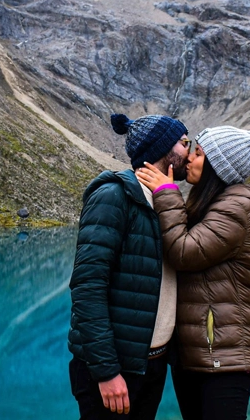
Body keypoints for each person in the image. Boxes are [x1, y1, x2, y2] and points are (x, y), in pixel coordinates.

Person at [135, 123, 250, 420]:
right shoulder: (214, 204)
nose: (188, 158)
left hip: (223, 359)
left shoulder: (237, 208)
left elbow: (184, 252)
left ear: (217, 167)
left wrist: (166, 194)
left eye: (198, 154)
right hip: (199, 353)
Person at [68, 113, 191, 420]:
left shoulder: (167, 202)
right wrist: (106, 372)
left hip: (152, 363)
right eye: (184, 142)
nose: (189, 151)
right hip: (116, 369)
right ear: (164, 149)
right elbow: (87, 287)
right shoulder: (114, 196)